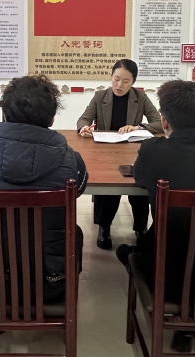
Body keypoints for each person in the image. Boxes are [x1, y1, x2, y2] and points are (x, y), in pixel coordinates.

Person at [116, 79, 195, 353]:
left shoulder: (153, 150)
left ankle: (132, 258)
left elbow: (140, 178)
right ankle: (188, 327)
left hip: (166, 277)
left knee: (141, 249)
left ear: (164, 120)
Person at [0, 75, 88, 303]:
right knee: (75, 232)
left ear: (5, 114)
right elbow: (78, 189)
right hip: (50, 286)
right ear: (51, 118)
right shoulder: (70, 159)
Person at [76, 59, 161, 250]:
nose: (119, 85)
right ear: (111, 77)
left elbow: (158, 122)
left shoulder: (141, 98)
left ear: (133, 82)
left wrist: (138, 127)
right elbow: (83, 118)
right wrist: (83, 128)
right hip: (105, 151)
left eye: (125, 81)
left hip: (132, 151)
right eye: (116, 79)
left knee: (140, 184)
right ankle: (104, 227)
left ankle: (140, 228)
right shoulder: (100, 96)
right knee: (107, 187)